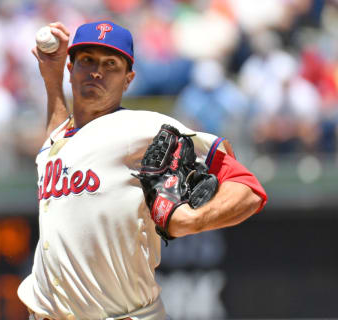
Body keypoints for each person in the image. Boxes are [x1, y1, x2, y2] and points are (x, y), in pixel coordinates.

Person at [18, 21, 267, 320]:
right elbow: (61, 139)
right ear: (71, 69)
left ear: (128, 79)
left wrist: (192, 220)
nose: (97, 71)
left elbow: (248, 187)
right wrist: (52, 79)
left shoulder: (143, 127)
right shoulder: (54, 144)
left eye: (111, 64)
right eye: (87, 61)